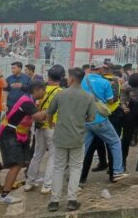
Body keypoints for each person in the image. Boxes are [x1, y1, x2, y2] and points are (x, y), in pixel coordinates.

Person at [39, 68, 96, 212]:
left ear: (70, 79)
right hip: (77, 137)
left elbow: (50, 114)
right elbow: (91, 118)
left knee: (58, 168)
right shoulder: (88, 96)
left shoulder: (60, 94)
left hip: (60, 137)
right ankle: (72, 200)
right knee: (76, 168)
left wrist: (52, 123)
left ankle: (54, 201)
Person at [0, 80, 48, 204]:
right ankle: (4, 195)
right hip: (9, 133)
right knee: (16, 164)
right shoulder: (27, 102)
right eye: (43, 90)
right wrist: (53, 107)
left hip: (21, 133)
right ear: (36, 90)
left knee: (25, 162)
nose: (45, 92)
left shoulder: (30, 100)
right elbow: (38, 117)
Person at [81, 63, 128, 183]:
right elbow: (110, 100)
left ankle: (76, 174)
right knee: (115, 142)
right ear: (101, 69)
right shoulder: (106, 82)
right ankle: (117, 171)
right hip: (99, 119)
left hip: (85, 119)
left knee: (84, 148)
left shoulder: (83, 79)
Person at [24, 65, 64, 194]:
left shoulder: (42, 89)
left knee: (37, 155)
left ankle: (29, 183)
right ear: (62, 77)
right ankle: (47, 185)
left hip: (40, 125)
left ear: (49, 76)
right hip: (53, 126)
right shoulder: (61, 92)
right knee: (53, 156)